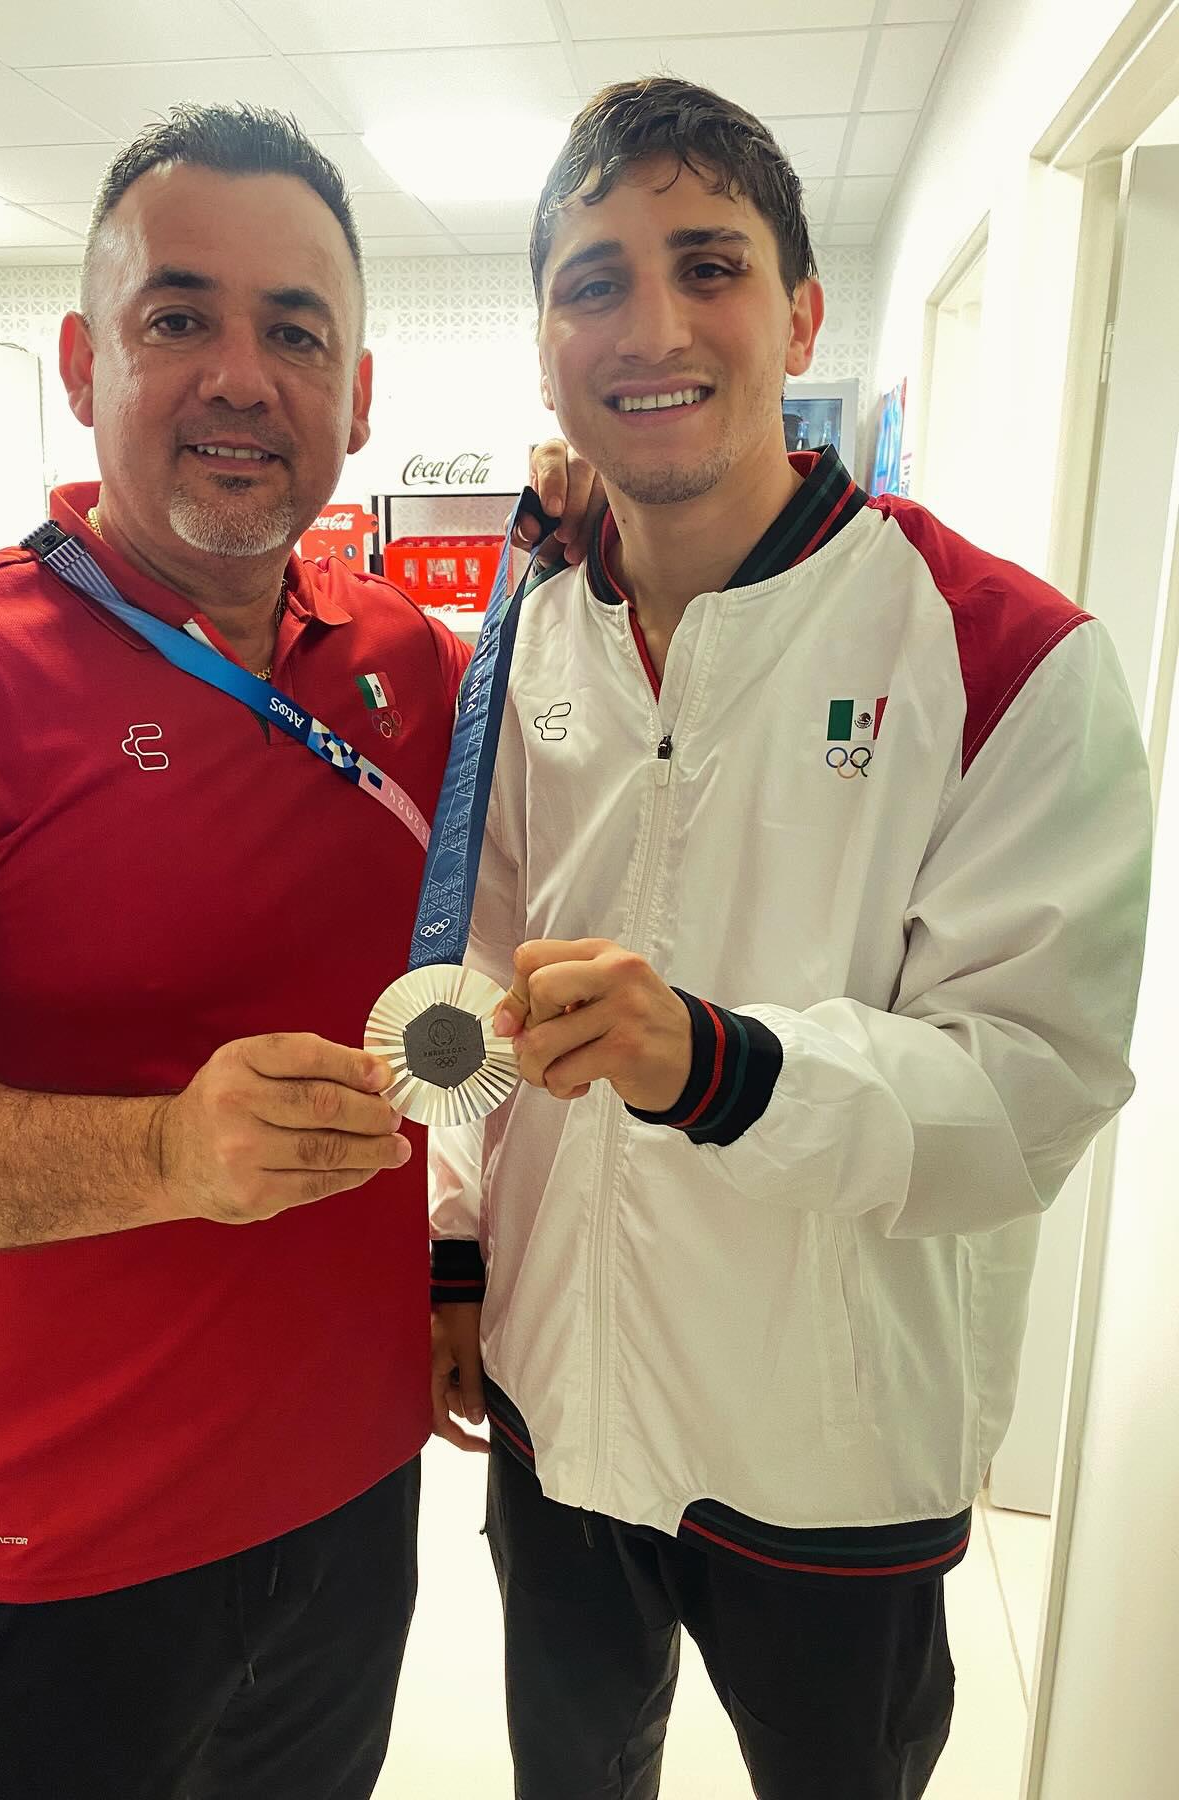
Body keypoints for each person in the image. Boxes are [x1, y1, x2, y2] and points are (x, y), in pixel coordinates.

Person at [430, 77, 1152, 1800]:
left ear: (801, 311)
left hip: (827, 1443)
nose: (654, 324)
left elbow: (1032, 1087)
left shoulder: (1003, 650)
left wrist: (729, 1067)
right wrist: (459, 1244)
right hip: (558, 1390)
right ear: (544, 345)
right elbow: (473, 971)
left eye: (710, 265)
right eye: (594, 280)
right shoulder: (529, 636)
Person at [0, 103, 468, 1800]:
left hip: (357, 1486)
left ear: (358, 395)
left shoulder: (414, 666)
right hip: (62, 1541)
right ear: (84, 360)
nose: (238, 373)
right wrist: (162, 1150)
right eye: (179, 318)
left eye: (295, 331)